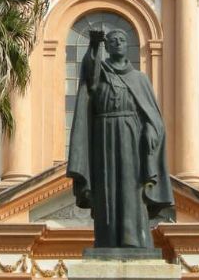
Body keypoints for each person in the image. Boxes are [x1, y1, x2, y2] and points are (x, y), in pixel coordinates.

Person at [67, 28, 173, 248]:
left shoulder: (140, 79)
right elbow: (89, 75)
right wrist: (94, 45)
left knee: (131, 188)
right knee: (106, 189)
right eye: (113, 40)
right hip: (103, 135)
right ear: (108, 46)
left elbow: (153, 116)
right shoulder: (101, 72)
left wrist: (151, 130)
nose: (117, 43)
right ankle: (107, 240)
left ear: (128, 45)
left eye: (122, 39)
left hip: (131, 137)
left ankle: (134, 239)